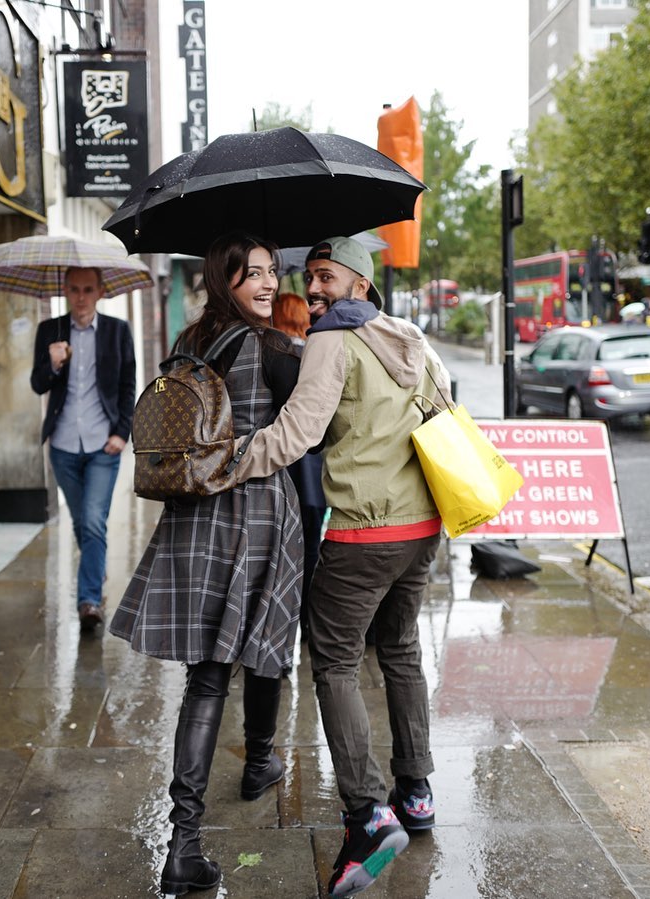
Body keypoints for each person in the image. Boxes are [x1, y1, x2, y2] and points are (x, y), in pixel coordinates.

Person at [234, 236, 454, 898]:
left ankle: (366, 813)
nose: (315, 287)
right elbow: (446, 413)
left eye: (325, 276)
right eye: (311, 276)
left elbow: (297, 431)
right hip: (421, 528)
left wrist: (228, 458)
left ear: (360, 282)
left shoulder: (331, 339)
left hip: (364, 531)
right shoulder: (409, 337)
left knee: (330, 660)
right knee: (399, 649)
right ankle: (414, 790)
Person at [109, 233, 303, 896]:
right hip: (254, 511)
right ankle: (257, 762)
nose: (268, 284)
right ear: (226, 278)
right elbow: (319, 424)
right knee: (265, 641)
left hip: (193, 514)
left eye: (273, 272)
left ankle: (184, 839)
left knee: (208, 673)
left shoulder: (187, 343)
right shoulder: (275, 349)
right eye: (253, 274)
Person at [30, 266, 136, 634]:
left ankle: (89, 600)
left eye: (87, 289)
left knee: (92, 521)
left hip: (102, 445)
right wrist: (54, 363)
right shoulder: (50, 331)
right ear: (65, 289)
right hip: (62, 446)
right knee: (82, 523)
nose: (80, 296)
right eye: (73, 289)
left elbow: (128, 385)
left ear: (100, 292)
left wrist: (123, 433)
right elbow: (36, 384)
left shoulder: (118, 331)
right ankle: (96, 560)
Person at [272, 292, 327, 640]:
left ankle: (280, 626)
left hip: (280, 472)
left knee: (280, 553)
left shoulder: (273, 357)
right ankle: (308, 624)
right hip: (314, 475)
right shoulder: (315, 356)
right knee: (310, 549)